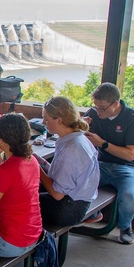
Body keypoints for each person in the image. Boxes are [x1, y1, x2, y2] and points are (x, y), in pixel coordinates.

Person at [82, 82, 134, 244]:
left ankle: (125, 226)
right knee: (77, 178)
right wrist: (81, 124)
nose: (98, 111)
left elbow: (130, 155)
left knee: (129, 195)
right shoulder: (95, 113)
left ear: (115, 104)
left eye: (102, 108)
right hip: (101, 163)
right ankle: (89, 213)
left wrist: (102, 143)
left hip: (128, 167)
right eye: (95, 106)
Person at [0, 113, 42, 257]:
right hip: (32, 235)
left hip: (8, 242)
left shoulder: (4, 171)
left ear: (0, 138)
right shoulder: (31, 160)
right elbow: (2, 184)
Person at [37, 97, 100, 226]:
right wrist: (41, 162)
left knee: (16, 199)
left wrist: (37, 168)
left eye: (46, 119)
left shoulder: (71, 149)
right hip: (77, 199)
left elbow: (57, 194)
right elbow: (61, 175)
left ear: (59, 120)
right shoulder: (76, 138)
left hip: (68, 208)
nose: (43, 122)